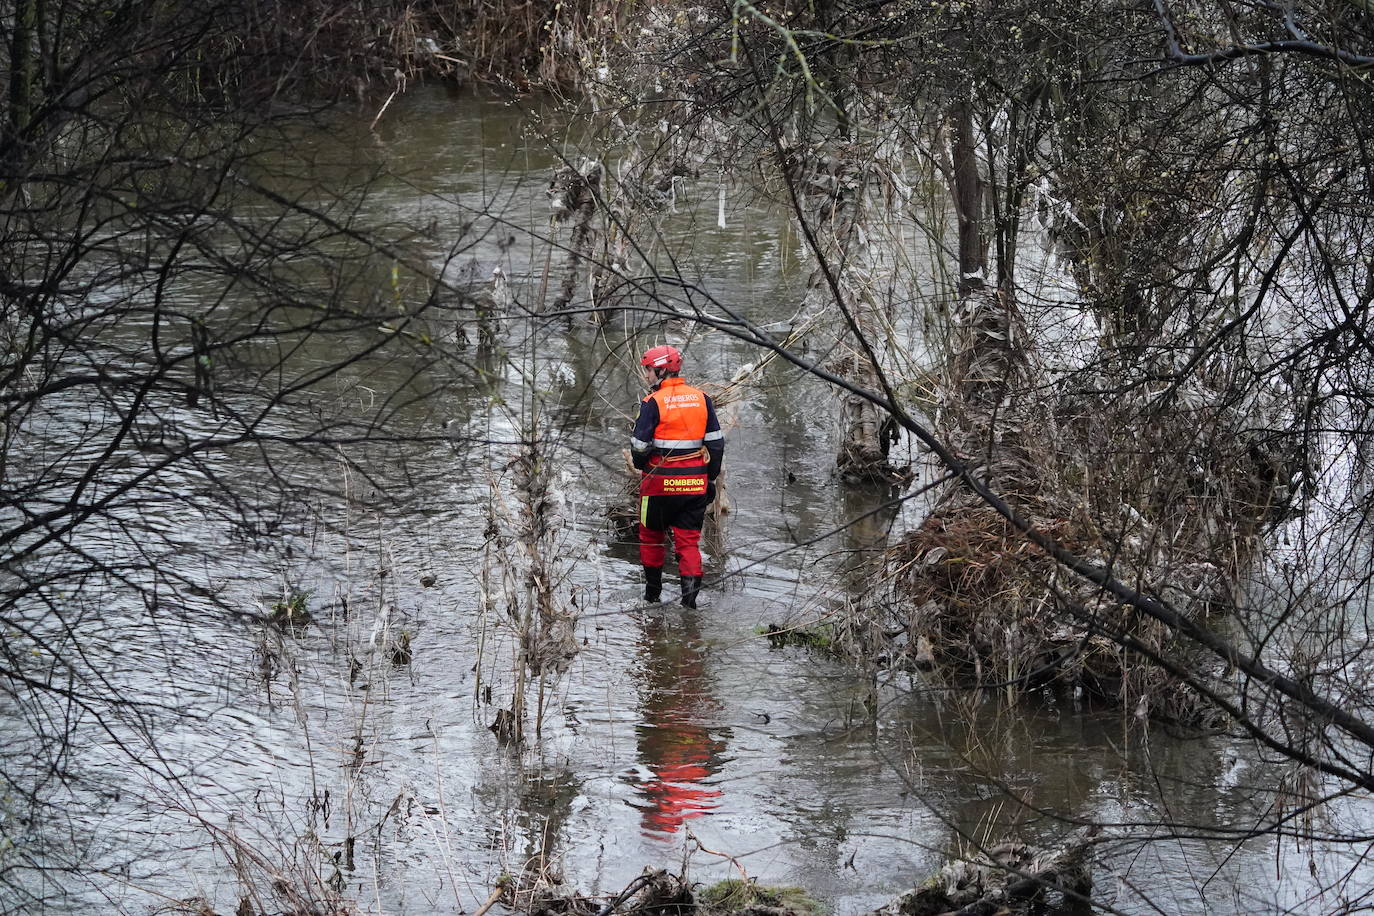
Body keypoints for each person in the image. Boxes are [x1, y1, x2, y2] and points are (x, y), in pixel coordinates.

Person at [631, 345, 724, 607]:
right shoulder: (702, 398)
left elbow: (639, 447)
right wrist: (711, 479)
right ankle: (689, 606)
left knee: (651, 538)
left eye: (648, 370)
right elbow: (716, 445)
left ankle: (651, 598)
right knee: (689, 544)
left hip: (658, 483)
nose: (647, 376)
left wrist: (642, 464)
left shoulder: (652, 402)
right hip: (695, 482)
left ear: (660, 370)